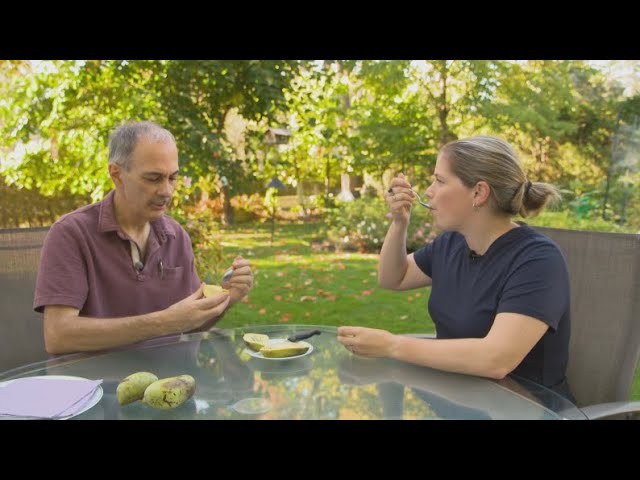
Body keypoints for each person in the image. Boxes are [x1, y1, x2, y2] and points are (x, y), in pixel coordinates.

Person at [337, 135, 574, 402]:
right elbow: (394, 277)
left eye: (439, 181)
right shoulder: (452, 243)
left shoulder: (537, 260)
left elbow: (496, 360)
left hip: (527, 407)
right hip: (459, 397)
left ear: (478, 193)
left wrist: (393, 346)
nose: (428, 191)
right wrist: (399, 223)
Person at [34, 121, 253, 355]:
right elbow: (59, 335)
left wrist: (227, 299)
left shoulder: (176, 236)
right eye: (153, 178)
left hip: (168, 384)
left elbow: (190, 322)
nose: (167, 191)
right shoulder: (71, 234)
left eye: (172, 178)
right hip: (99, 385)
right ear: (117, 174)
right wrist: (164, 322)